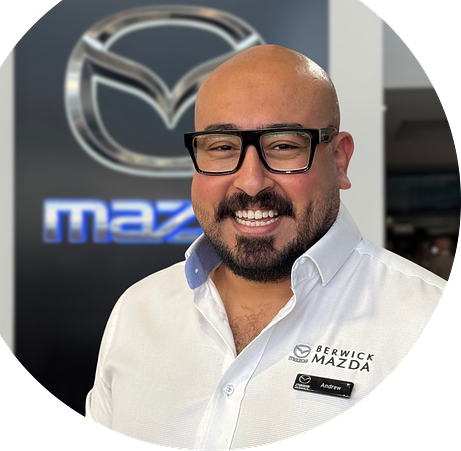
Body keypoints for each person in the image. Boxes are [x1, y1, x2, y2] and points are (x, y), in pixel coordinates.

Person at [85, 45, 446, 449]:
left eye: (284, 145)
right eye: (222, 147)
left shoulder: (420, 319)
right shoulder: (138, 311)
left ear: (340, 160)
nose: (251, 182)